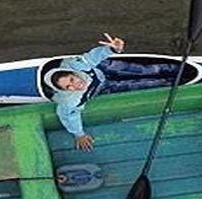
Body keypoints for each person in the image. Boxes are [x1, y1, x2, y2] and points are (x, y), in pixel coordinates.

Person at [45, 34, 181, 151]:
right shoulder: (70, 101)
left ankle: (176, 68)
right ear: (64, 91)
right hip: (102, 88)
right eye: (68, 87)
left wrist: (112, 48)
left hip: (101, 70)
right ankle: (172, 82)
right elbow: (68, 116)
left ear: (73, 73)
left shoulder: (77, 65)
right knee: (145, 85)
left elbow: (92, 57)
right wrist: (79, 134)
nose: (75, 85)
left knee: (148, 70)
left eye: (72, 79)